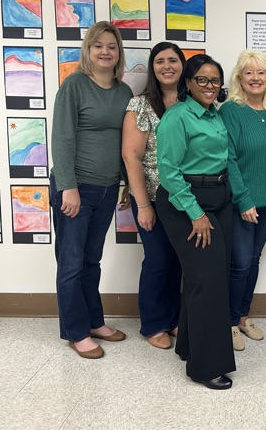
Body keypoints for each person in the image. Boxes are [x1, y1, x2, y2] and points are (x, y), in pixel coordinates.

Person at [50, 21, 133, 359]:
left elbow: (126, 143)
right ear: (88, 49)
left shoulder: (124, 92)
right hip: (76, 187)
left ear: (118, 53)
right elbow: (62, 138)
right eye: (98, 45)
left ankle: (94, 321)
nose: (105, 51)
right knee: (70, 263)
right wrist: (68, 187)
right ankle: (75, 331)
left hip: (107, 188)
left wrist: (126, 182)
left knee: (91, 260)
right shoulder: (74, 86)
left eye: (111, 46)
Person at [155, 55, 235, 390]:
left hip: (218, 199)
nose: (209, 86)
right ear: (187, 82)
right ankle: (205, 367)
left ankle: (188, 345)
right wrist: (196, 214)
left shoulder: (215, 113)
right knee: (209, 283)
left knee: (206, 278)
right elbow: (169, 171)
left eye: (214, 80)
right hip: (186, 204)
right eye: (201, 79)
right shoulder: (177, 117)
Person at [121, 42, 184, 350]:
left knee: (178, 260)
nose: (167, 66)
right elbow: (131, 157)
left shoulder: (191, 102)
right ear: (153, 67)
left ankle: (173, 318)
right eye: (160, 61)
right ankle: (153, 323)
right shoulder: (140, 105)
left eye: (173, 60)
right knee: (158, 259)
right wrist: (143, 205)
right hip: (153, 197)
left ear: (183, 66)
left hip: (185, 198)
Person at [220, 50, 266, 351]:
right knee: (240, 264)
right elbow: (229, 159)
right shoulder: (231, 111)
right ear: (239, 78)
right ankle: (230, 322)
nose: (256, 78)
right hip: (242, 203)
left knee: (254, 260)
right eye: (249, 73)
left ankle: (244, 317)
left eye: (261, 72)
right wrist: (243, 200)